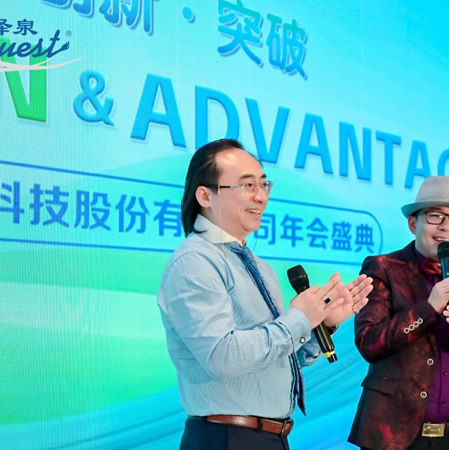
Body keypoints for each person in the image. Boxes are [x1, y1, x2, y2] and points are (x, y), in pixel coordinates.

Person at [158, 138, 373, 450]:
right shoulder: (195, 261)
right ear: (205, 195)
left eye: (263, 184)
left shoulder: (261, 268)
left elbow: (275, 360)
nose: (261, 196)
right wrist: (299, 319)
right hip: (226, 438)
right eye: (247, 185)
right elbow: (222, 357)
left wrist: (322, 324)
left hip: (270, 437)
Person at [348, 176, 449, 450]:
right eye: (435, 216)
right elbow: (369, 342)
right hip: (392, 438)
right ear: (413, 224)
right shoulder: (383, 268)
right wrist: (427, 309)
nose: (446, 226)